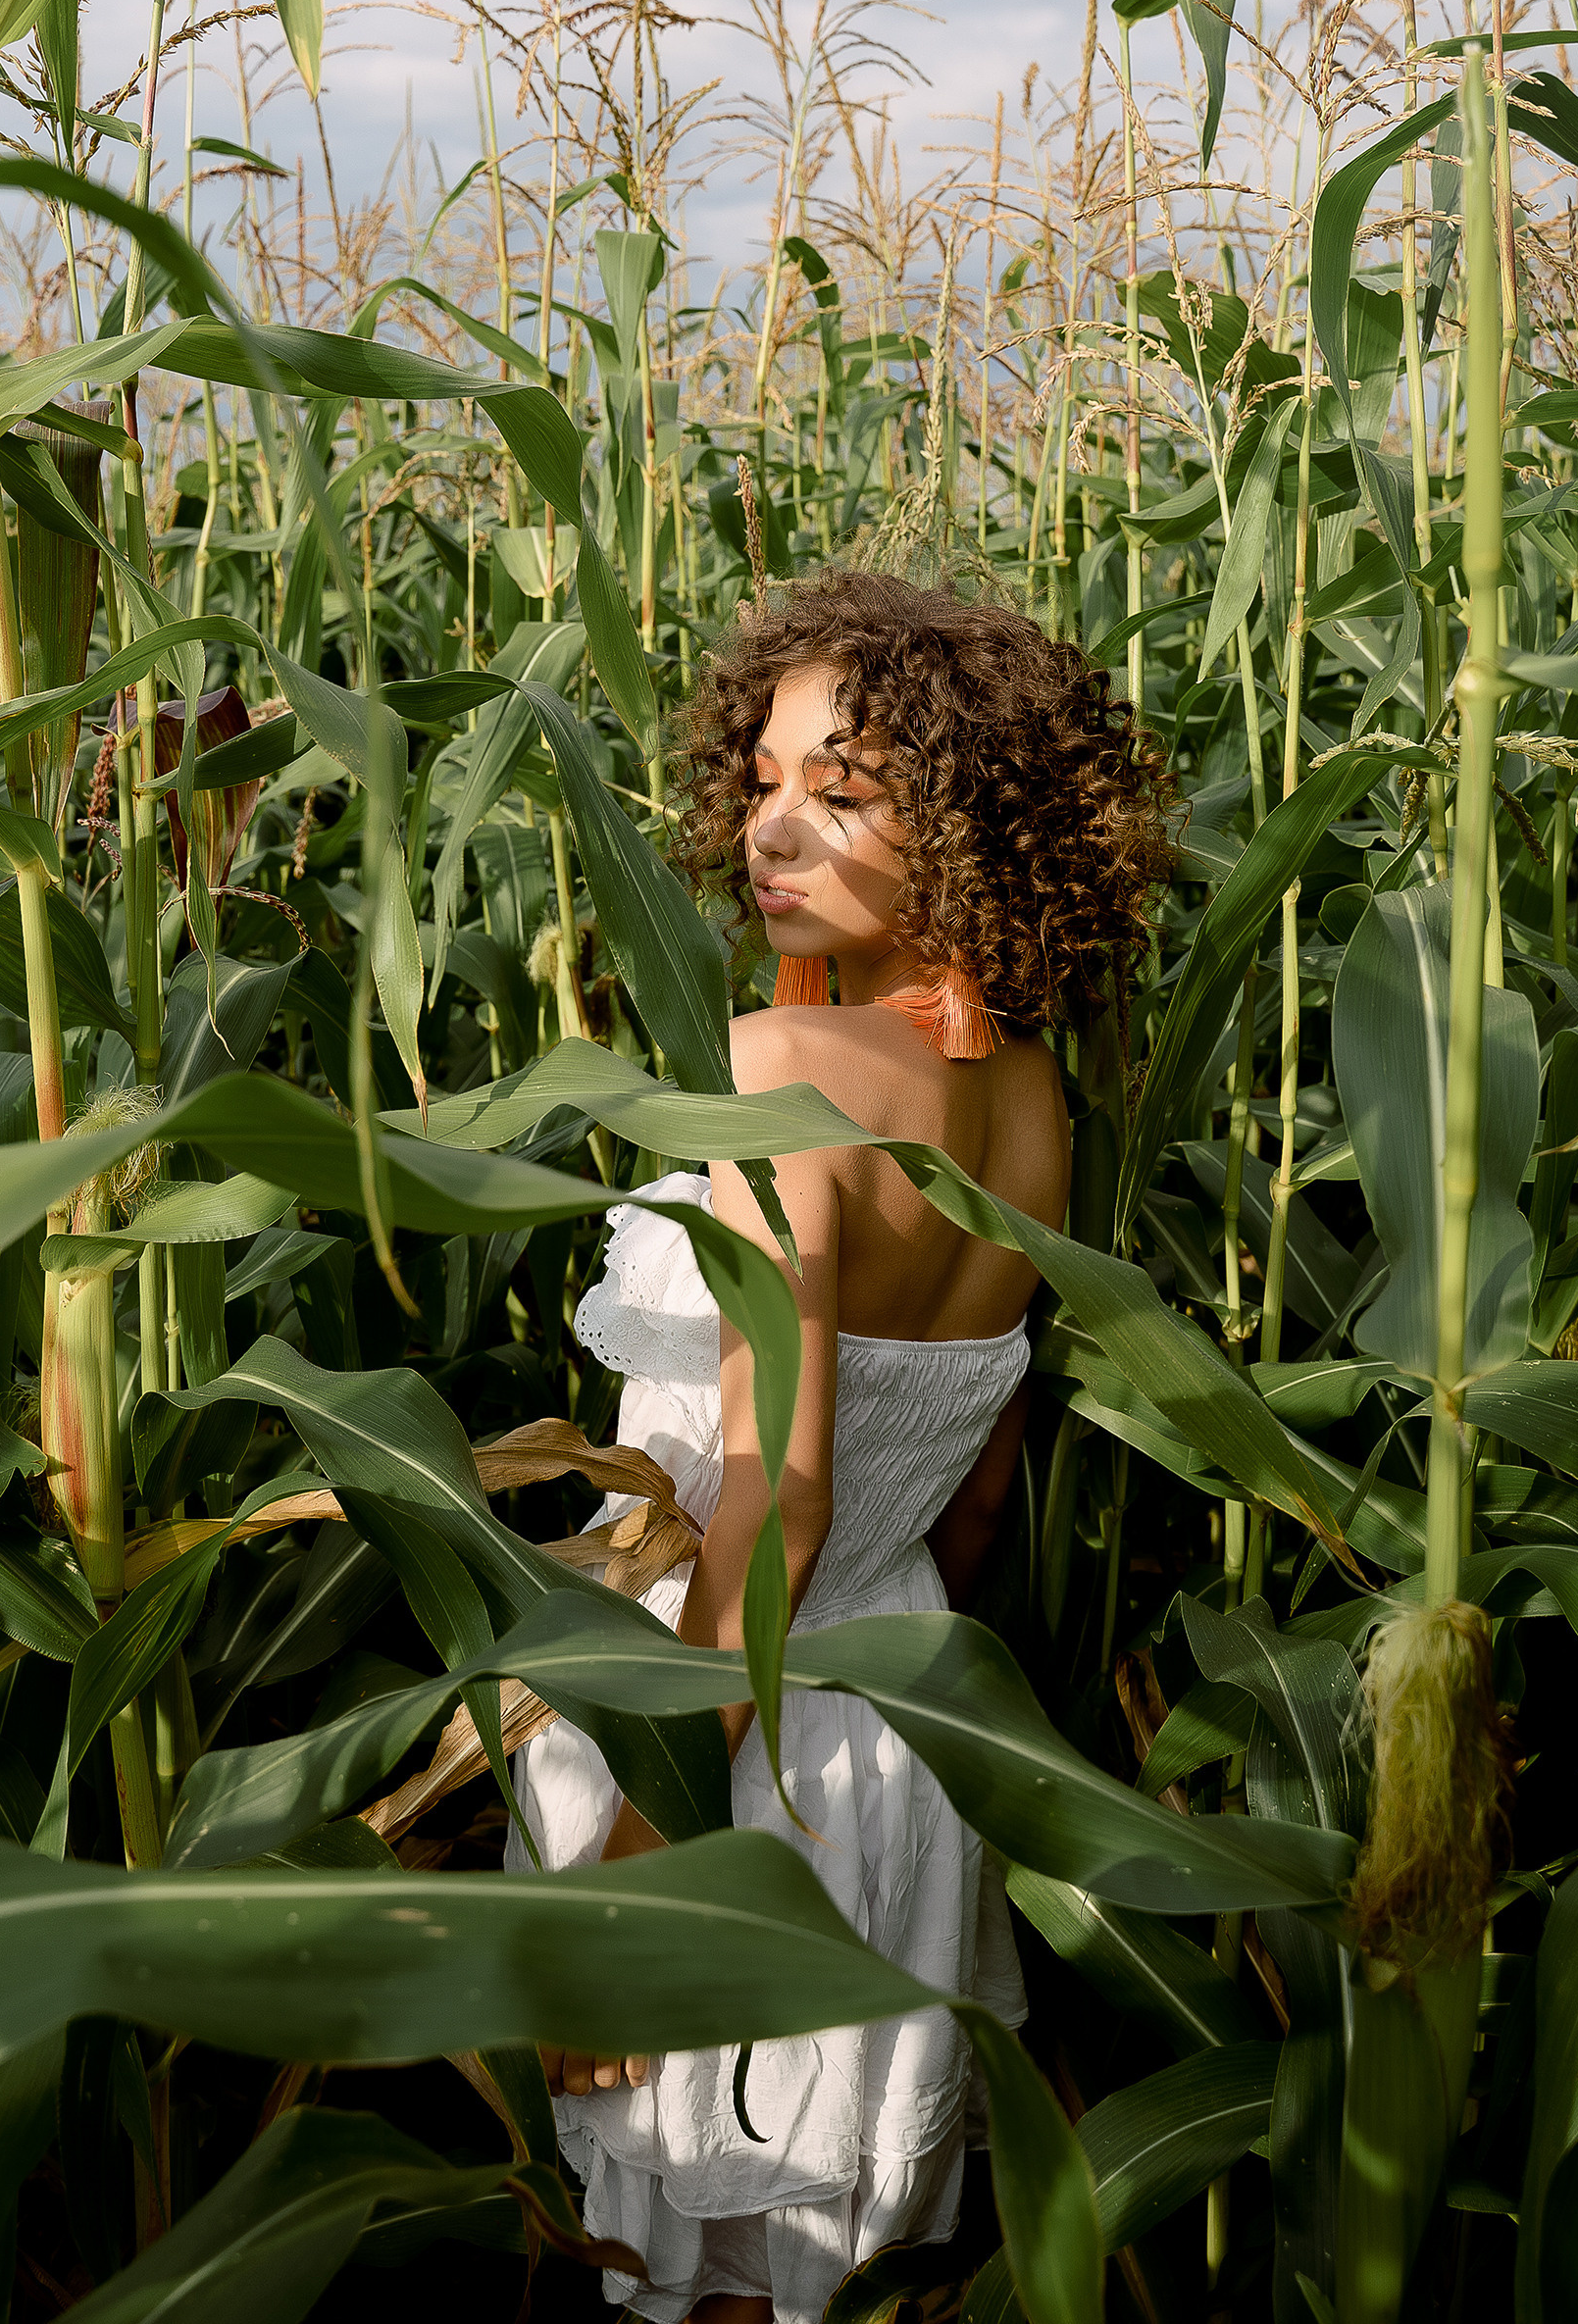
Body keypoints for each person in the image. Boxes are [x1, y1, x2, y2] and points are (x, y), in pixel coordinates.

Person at [510, 568, 1174, 2324]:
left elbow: (780, 1503)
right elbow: (974, 1486)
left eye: (849, 792)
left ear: (968, 835)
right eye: (767, 780)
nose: (774, 829)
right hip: (889, 1750)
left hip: (727, 1767)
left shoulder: (779, 1064)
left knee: (697, 2273)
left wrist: (639, 1882)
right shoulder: (1031, 1098)